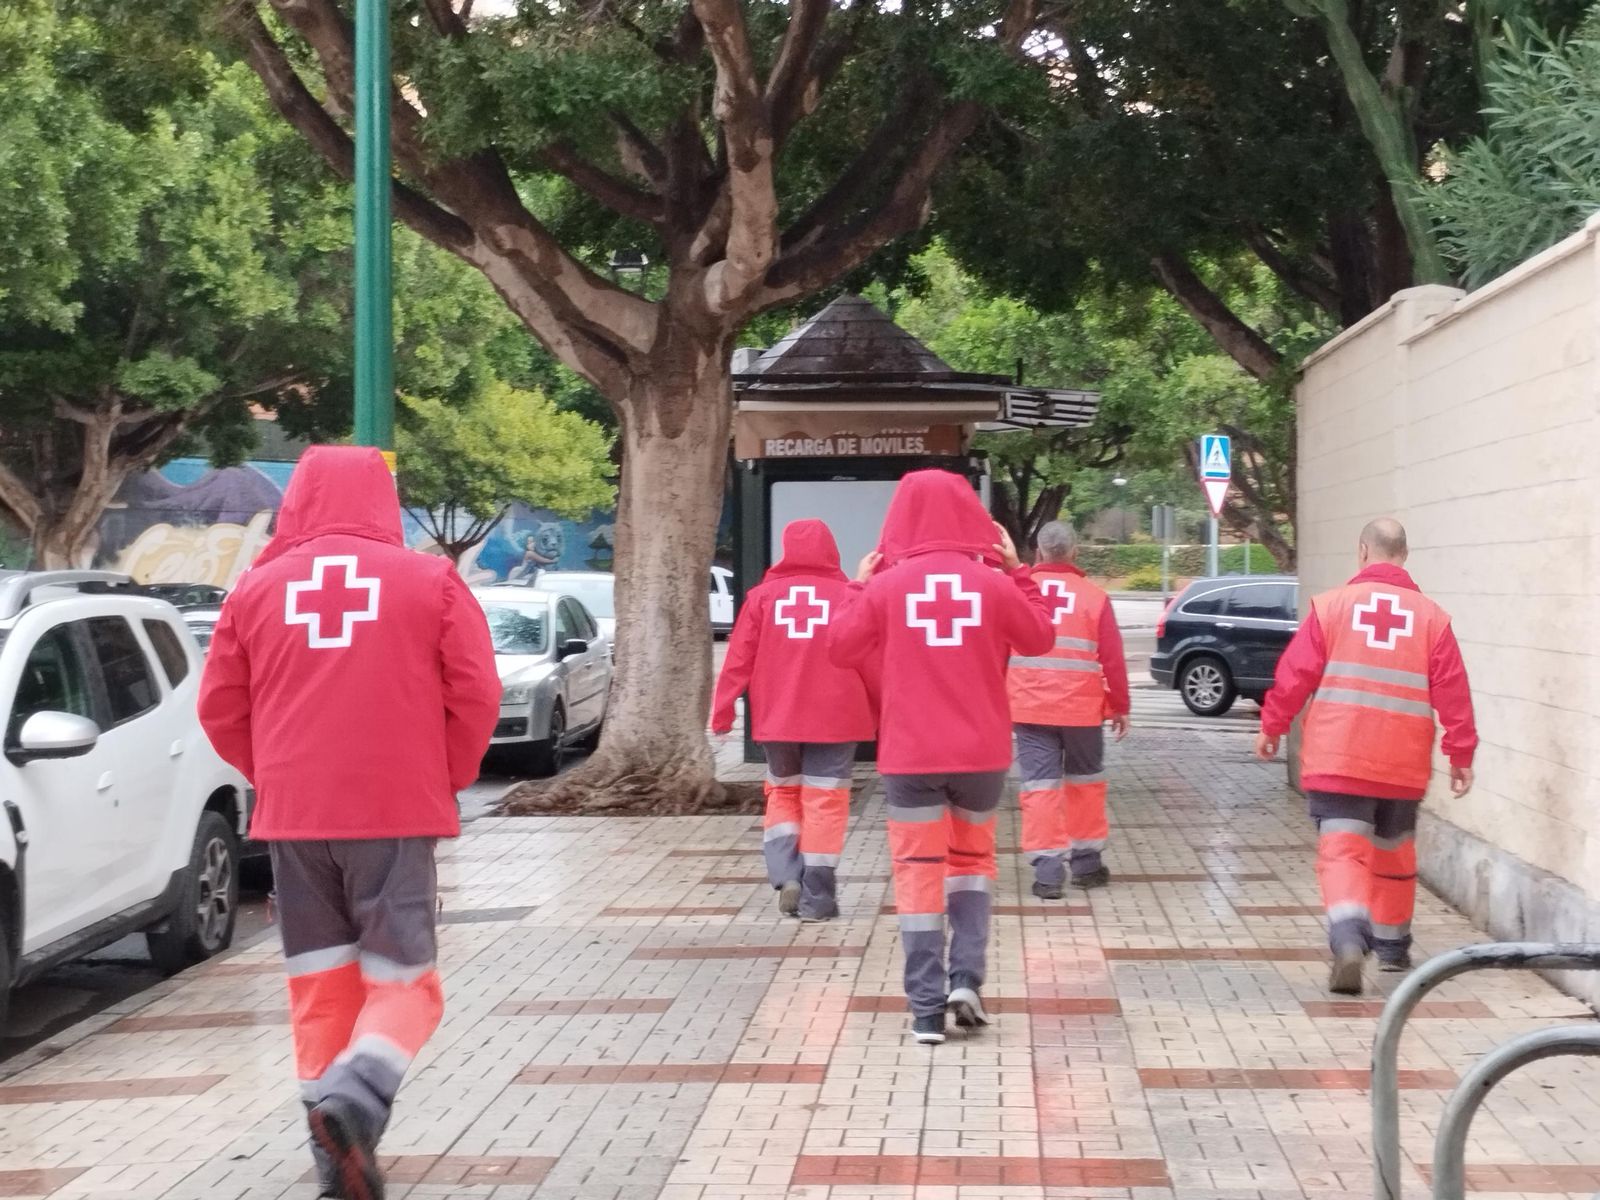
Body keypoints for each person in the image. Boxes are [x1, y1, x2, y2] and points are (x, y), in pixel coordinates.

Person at [199, 446, 501, 1200]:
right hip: (394, 813)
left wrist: (274, 774)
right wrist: (448, 775)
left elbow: (220, 709)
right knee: (405, 982)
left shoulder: (255, 589)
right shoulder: (431, 581)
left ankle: (334, 1160)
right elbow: (476, 693)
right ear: (381, 502)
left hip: (294, 821)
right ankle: (358, 1098)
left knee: (321, 986)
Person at [829, 470, 1054, 1045]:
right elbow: (1039, 638)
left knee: (917, 875)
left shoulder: (887, 586)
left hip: (909, 758)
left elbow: (840, 647)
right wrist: (1018, 571)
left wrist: (858, 585)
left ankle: (925, 1011)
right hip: (981, 756)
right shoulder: (993, 585)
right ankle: (967, 981)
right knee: (972, 865)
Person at [1255, 518, 1476, 996]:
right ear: (1404, 554)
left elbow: (1295, 674)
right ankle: (1394, 950)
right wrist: (1461, 753)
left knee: (1344, 855)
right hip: (1402, 763)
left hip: (1339, 760)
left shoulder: (1331, 607)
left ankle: (1349, 938)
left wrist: (1273, 725)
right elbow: (1453, 692)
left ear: (1362, 551)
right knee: (1394, 856)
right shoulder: (1432, 617)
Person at [711, 520, 875, 921]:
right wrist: (885, 709)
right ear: (831, 550)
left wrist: (722, 711)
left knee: (783, 793)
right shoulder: (847, 596)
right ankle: (818, 898)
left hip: (778, 719)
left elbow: (738, 659)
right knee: (825, 802)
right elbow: (870, 657)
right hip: (836, 720)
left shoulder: (762, 597)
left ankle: (787, 875)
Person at [1007, 520, 1130, 897]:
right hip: (1082, 709)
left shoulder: (1018, 593)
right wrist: (1120, 706)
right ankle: (1087, 865)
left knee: (1039, 787)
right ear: (1075, 552)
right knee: (1085, 785)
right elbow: (1112, 658)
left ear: (1039, 552)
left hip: (1029, 709)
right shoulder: (1094, 596)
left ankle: (1047, 874)